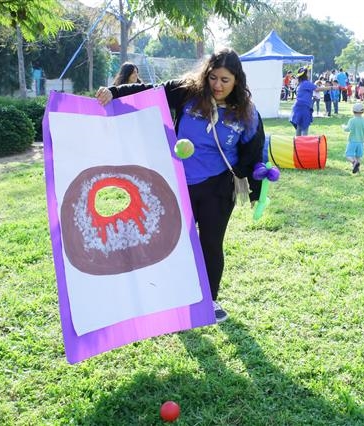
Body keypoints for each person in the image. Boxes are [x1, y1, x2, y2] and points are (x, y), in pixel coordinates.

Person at [96, 48, 265, 323]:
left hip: (219, 187)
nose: (217, 85)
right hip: (178, 183)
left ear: (237, 81)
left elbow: (254, 149)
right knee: (175, 242)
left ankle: (208, 300)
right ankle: (174, 297)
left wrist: (257, 175)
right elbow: (150, 90)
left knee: (210, 242)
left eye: (225, 80)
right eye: (213, 77)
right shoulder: (189, 91)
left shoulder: (245, 111)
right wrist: (114, 93)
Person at [290, 66, 323, 136]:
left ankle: (297, 145)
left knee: (299, 129)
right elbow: (317, 89)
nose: (309, 73)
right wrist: (332, 87)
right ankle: (303, 145)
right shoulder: (306, 83)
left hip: (298, 108)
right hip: (304, 109)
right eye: (308, 72)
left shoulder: (301, 83)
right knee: (304, 129)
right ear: (305, 74)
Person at [342, 102, 364, 174]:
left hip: (352, 141)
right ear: (362, 111)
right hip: (361, 141)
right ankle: (357, 169)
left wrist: (343, 127)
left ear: (353, 111)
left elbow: (348, 129)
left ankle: (354, 162)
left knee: (348, 155)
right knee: (358, 156)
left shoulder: (352, 120)